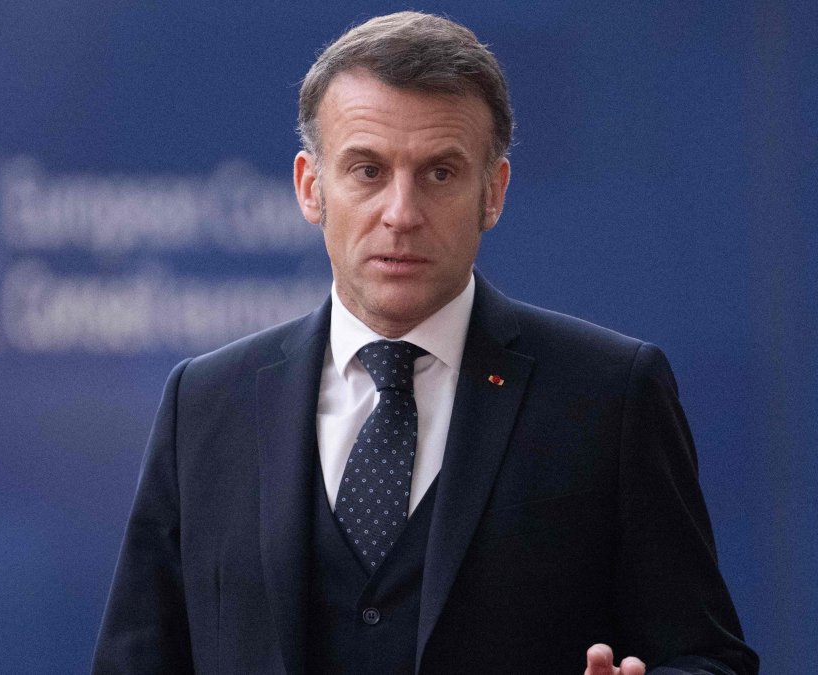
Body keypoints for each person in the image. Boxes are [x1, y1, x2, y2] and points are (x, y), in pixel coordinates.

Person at [93, 11, 756, 675]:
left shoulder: (610, 394)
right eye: (367, 170)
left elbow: (709, 657)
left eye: (439, 173)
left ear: (492, 193)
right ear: (310, 187)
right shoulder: (206, 402)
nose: (402, 213)